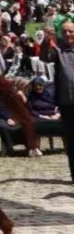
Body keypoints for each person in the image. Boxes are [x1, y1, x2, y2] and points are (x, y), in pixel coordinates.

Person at [45, 19, 74, 181]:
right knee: (71, 141)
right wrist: (46, 40)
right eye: (65, 32)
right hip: (67, 102)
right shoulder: (58, 51)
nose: (68, 34)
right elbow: (44, 57)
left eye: (71, 31)